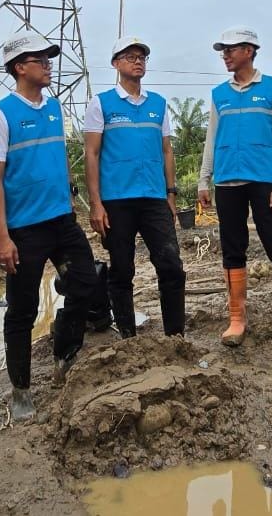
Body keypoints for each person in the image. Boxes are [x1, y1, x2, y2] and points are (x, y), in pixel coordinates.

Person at [0, 29, 99, 422]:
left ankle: (65, 353)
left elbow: (60, 158)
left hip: (62, 221)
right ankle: (21, 391)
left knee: (84, 282)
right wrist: (2, 237)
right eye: (41, 61)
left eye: (49, 59)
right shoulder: (0, 115)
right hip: (24, 230)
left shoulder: (54, 108)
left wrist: (68, 198)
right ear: (19, 68)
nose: (49, 66)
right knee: (22, 309)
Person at [197, 27, 272, 350]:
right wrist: (204, 180)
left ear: (249, 50)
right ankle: (236, 318)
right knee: (233, 248)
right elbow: (212, 139)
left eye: (231, 49)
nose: (225, 55)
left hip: (265, 182)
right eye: (223, 50)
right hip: (228, 182)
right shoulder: (220, 94)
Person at [84, 35, 186, 339]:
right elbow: (92, 153)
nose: (138, 61)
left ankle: (175, 335)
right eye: (130, 56)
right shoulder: (101, 103)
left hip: (155, 198)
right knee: (122, 270)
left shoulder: (158, 104)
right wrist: (96, 203)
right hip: (116, 201)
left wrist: (171, 193)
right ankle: (128, 335)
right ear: (116, 64)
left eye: (142, 57)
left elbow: (167, 150)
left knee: (171, 265)